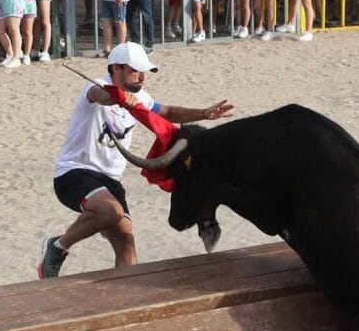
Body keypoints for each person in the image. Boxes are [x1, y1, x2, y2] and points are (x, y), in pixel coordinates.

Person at [38, 42, 232, 278]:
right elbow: (100, 95)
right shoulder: (97, 86)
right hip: (75, 173)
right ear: (116, 69)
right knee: (111, 212)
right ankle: (57, 247)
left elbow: (168, 112)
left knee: (127, 247)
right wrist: (117, 98)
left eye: (144, 71)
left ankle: (125, 301)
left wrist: (203, 113)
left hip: (110, 181)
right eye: (135, 70)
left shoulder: (141, 97)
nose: (142, 77)